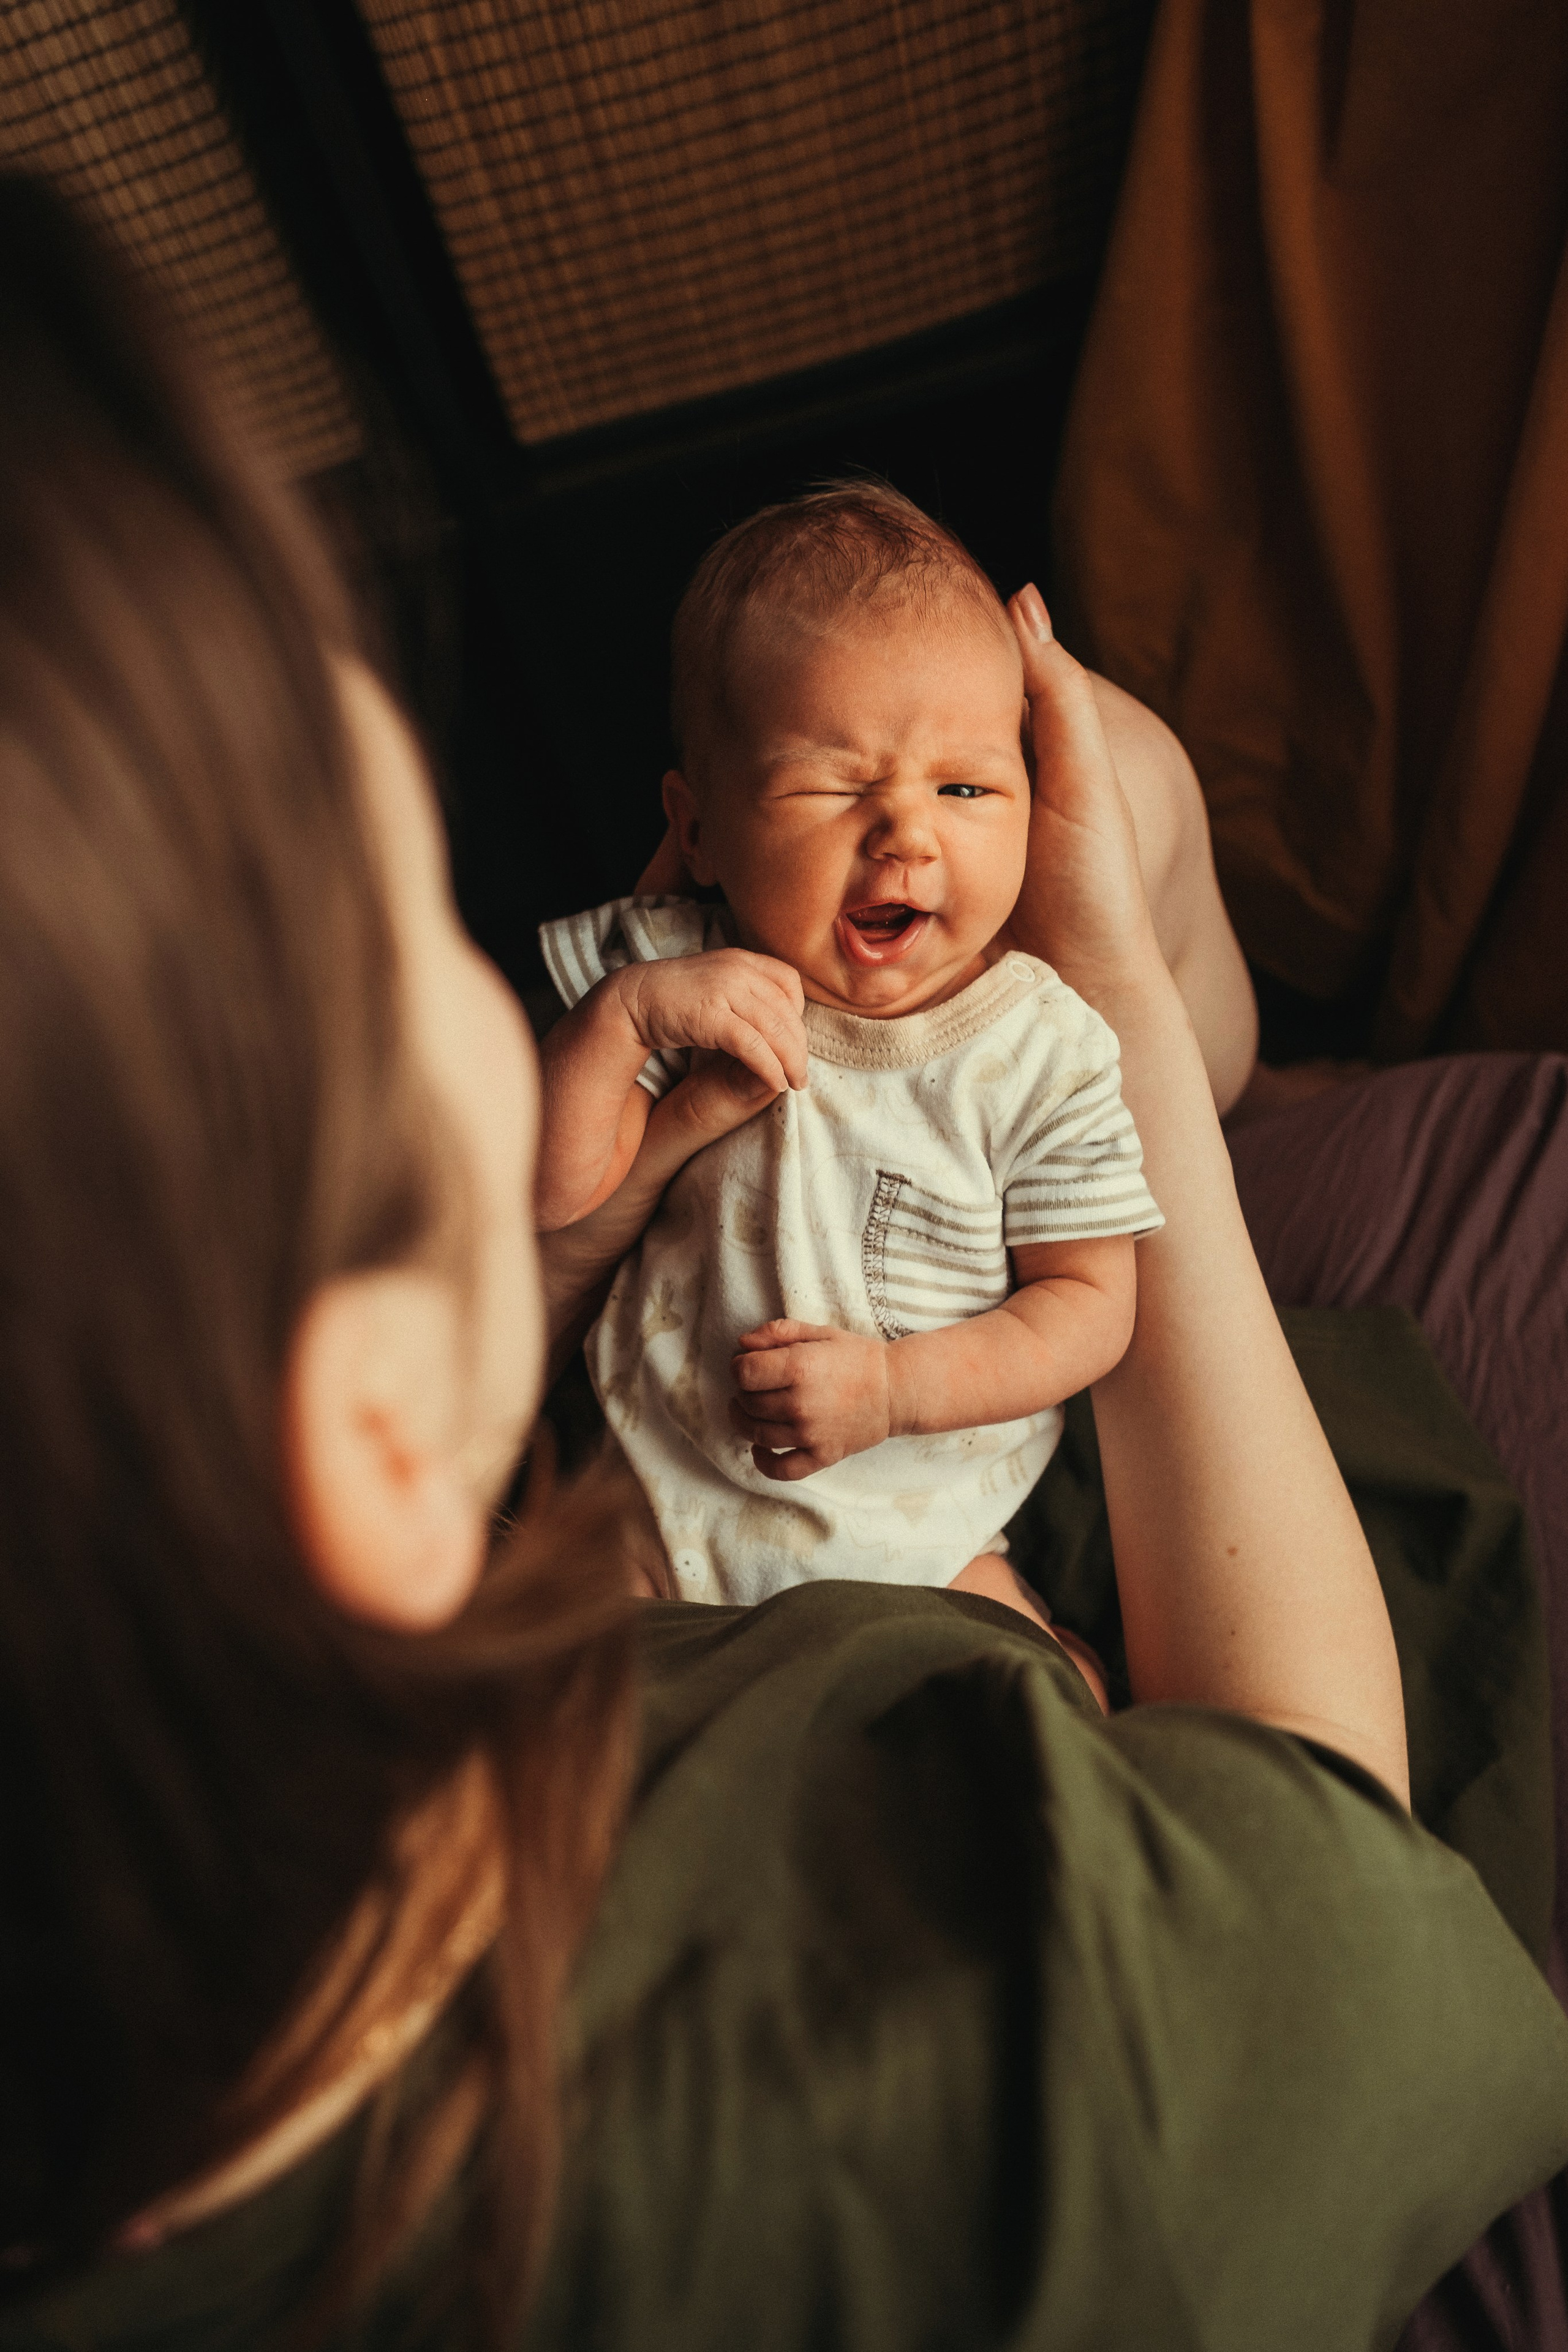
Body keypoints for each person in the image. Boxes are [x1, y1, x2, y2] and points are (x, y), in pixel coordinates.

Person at [3, 175, 1566, 2352]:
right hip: (944, 1600)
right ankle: (1251, 1075)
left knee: (1126, 805)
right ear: (358, 1440)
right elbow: (1319, 1864)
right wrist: (1117, 1009)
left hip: (866, 1417)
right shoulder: (953, 2086)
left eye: (962, 788)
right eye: (394, 933)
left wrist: (634, 1201)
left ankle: (1244, 1058)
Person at [533, 488, 1162, 1649]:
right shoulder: (680, 969)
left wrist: (894, 1390)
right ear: (699, 828)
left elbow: (1088, 1306)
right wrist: (622, 1019)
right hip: (654, 1506)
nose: (907, 835)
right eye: (833, 787)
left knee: (1022, 1682)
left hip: (920, 1532)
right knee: (557, 1679)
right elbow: (556, 1193)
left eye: (966, 789)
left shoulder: (1041, 1051)